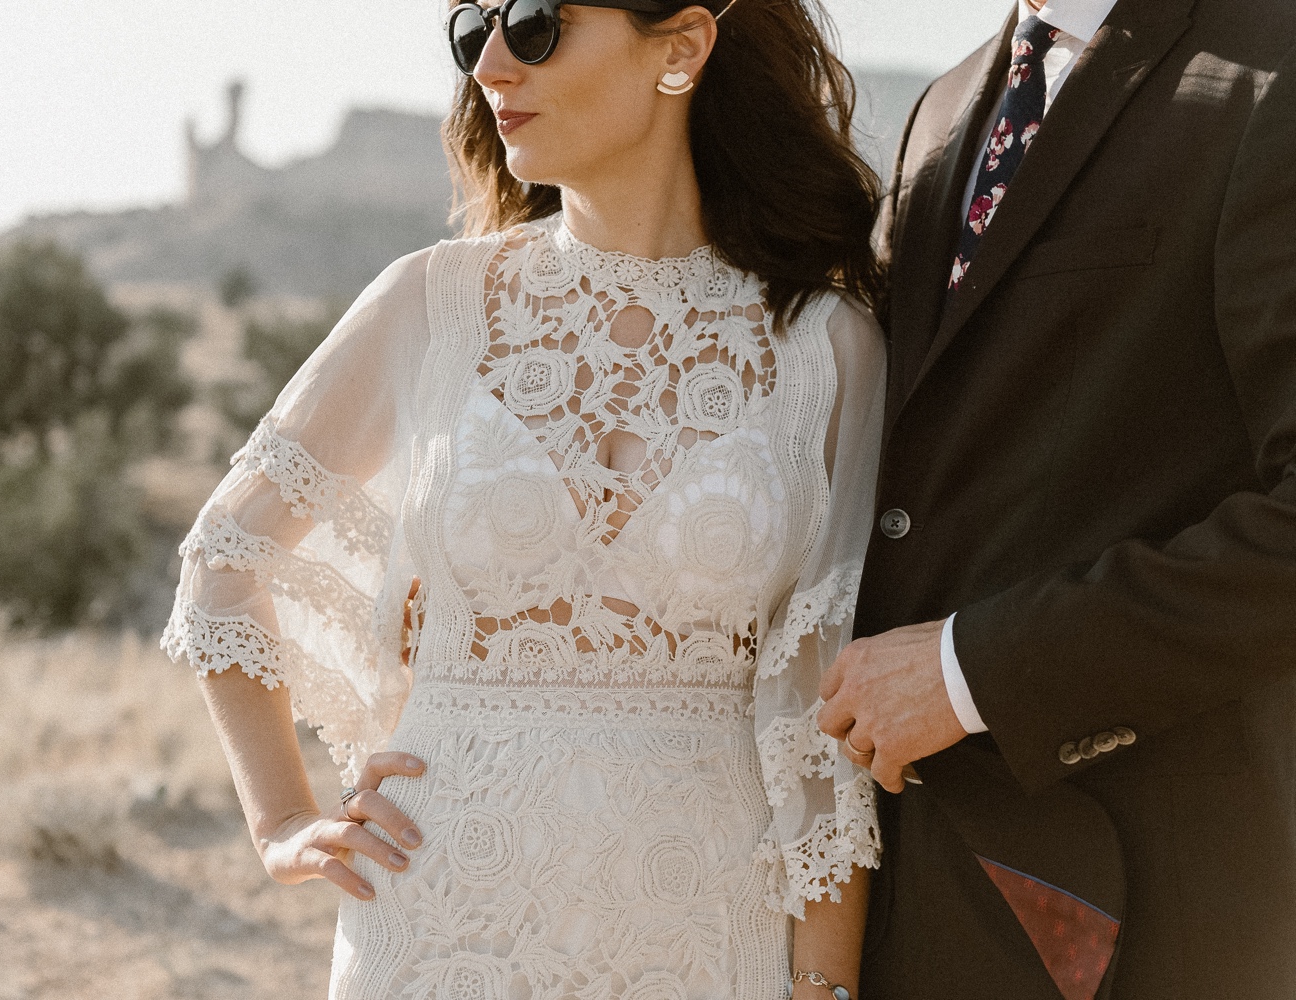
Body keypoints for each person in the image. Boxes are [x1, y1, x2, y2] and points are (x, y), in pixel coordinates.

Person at [162, 0, 889, 995]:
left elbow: (821, 717)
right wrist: (285, 824)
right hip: (437, 919)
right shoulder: (432, 302)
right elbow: (224, 561)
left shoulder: (824, 347)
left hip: (704, 929)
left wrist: (824, 985)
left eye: (538, 24)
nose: (493, 64)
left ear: (679, 47)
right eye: (474, 31)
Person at [816, 0, 1296, 996]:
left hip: (1154, 909)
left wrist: (969, 670)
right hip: (912, 896)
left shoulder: (1272, 65)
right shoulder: (942, 108)